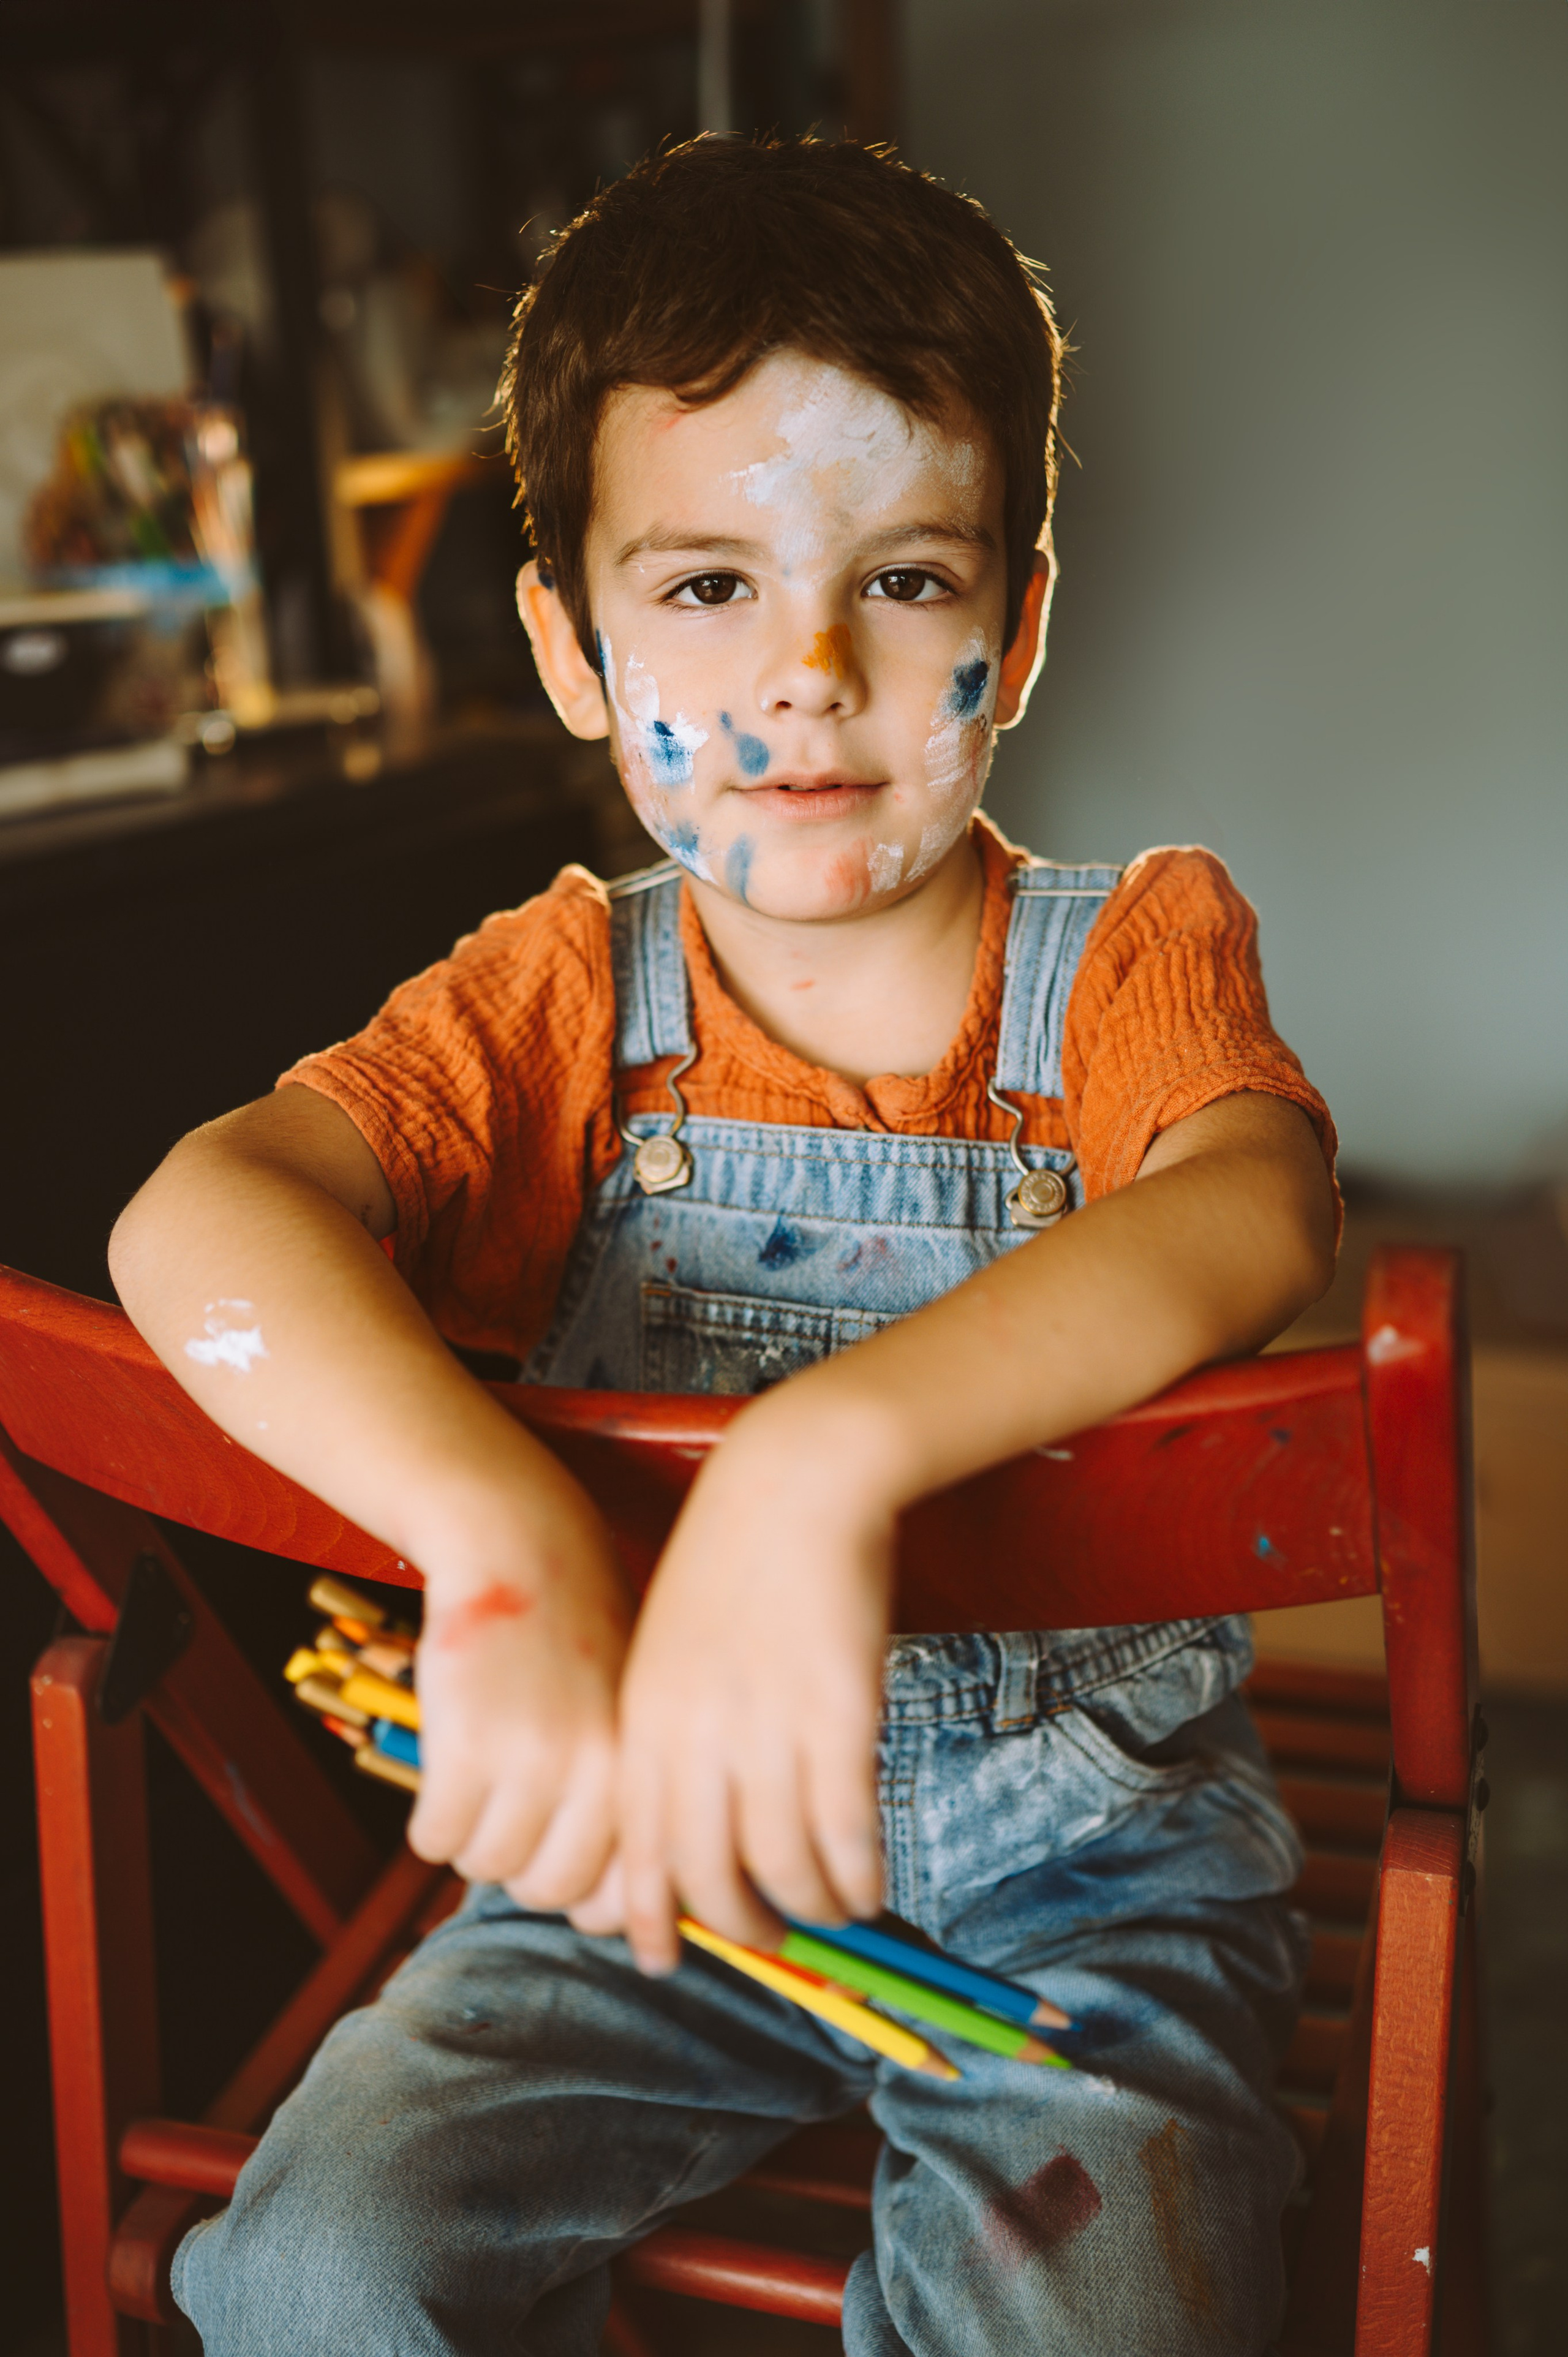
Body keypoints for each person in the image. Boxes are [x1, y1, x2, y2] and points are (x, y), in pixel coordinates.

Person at [111, 136, 1339, 2357]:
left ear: (1021, 628)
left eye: (901, 579)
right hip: (628, 1877)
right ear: (568, 652)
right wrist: (499, 1540)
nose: (804, 677)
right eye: (704, 590)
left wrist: (814, 1461)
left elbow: (1255, 1206)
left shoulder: (1135, 959)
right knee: (310, 2271)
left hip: (1086, 1894)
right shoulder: (559, 998)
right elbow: (200, 1214)